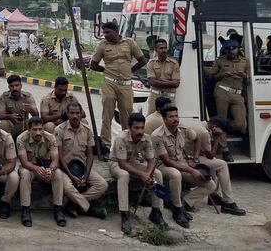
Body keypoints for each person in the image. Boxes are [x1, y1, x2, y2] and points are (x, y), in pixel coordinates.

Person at [90, 21, 148, 159]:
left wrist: (130, 71)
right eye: (104, 33)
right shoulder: (103, 45)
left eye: (108, 32)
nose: (105, 35)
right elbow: (93, 64)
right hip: (109, 83)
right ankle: (105, 146)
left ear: (115, 31)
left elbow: (142, 60)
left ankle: (130, 146)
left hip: (126, 84)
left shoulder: (129, 43)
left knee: (127, 115)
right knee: (107, 115)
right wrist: (106, 70)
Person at [151, 105, 214, 228]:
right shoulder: (157, 135)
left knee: (210, 185)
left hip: (182, 164)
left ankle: (183, 203)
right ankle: (178, 210)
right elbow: (167, 161)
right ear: (164, 119)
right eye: (171, 117)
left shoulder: (183, 128)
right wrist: (191, 170)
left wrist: (195, 159)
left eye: (176, 116)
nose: (175, 119)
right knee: (175, 174)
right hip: (162, 166)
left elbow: (197, 139)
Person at [109, 113, 169, 235]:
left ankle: (156, 212)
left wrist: (148, 174)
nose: (140, 131)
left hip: (132, 162)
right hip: (116, 163)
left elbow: (151, 160)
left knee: (157, 173)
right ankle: (124, 214)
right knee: (124, 175)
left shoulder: (146, 138)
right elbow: (122, 163)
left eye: (142, 127)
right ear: (129, 127)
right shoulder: (121, 138)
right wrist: (142, 174)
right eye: (136, 128)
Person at [54, 103, 108, 219]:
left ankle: (74, 203)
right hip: (65, 168)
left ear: (81, 114)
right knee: (68, 187)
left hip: (82, 167)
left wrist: (86, 174)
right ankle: (89, 209)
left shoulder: (87, 130)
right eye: (72, 113)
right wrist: (72, 176)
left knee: (102, 185)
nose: (74, 116)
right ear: (67, 114)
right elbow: (59, 156)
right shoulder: (59, 130)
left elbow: (89, 154)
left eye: (77, 113)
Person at [16, 117, 67, 227]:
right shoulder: (21, 139)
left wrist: (50, 169)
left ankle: (58, 209)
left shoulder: (50, 138)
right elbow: (24, 162)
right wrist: (36, 168)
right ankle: (25, 210)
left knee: (57, 173)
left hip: (45, 167)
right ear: (29, 130)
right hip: (30, 168)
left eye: (40, 129)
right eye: (34, 129)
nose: (38, 132)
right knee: (24, 174)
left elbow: (55, 161)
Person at [193, 116, 246, 214]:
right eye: (221, 132)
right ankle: (229, 203)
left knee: (215, 164)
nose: (222, 135)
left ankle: (214, 195)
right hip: (192, 158)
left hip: (191, 156)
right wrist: (216, 138)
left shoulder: (200, 124)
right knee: (222, 165)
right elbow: (211, 155)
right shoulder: (204, 132)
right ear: (215, 127)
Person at [206, 39, 248, 135]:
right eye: (228, 51)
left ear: (237, 49)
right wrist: (222, 74)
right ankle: (224, 147)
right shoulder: (220, 61)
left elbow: (249, 81)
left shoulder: (245, 62)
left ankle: (214, 124)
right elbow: (211, 77)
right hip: (222, 91)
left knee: (241, 124)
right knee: (221, 119)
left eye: (233, 51)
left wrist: (244, 76)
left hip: (237, 94)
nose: (231, 53)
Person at [0, 74, 38, 140]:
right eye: (12, 86)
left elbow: (36, 115)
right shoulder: (4, 97)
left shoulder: (27, 96)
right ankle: (7, 143)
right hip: (11, 124)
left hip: (24, 124)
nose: (14, 88)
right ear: (9, 87)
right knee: (3, 123)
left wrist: (29, 108)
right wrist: (10, 116)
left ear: (21, 86)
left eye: (17, 85)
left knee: (34, 124)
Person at [146, 39, 180, 114]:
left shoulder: (174, 63)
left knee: (171, 119)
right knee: (151, 120)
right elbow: (151, 82)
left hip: (169, 98)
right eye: (161, 48)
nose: (163, 50)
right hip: (155, 96)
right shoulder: (151, 63)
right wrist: (169, 82)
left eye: (165, 48)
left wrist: (159, 81)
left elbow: (176, 84)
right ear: (156, 49)